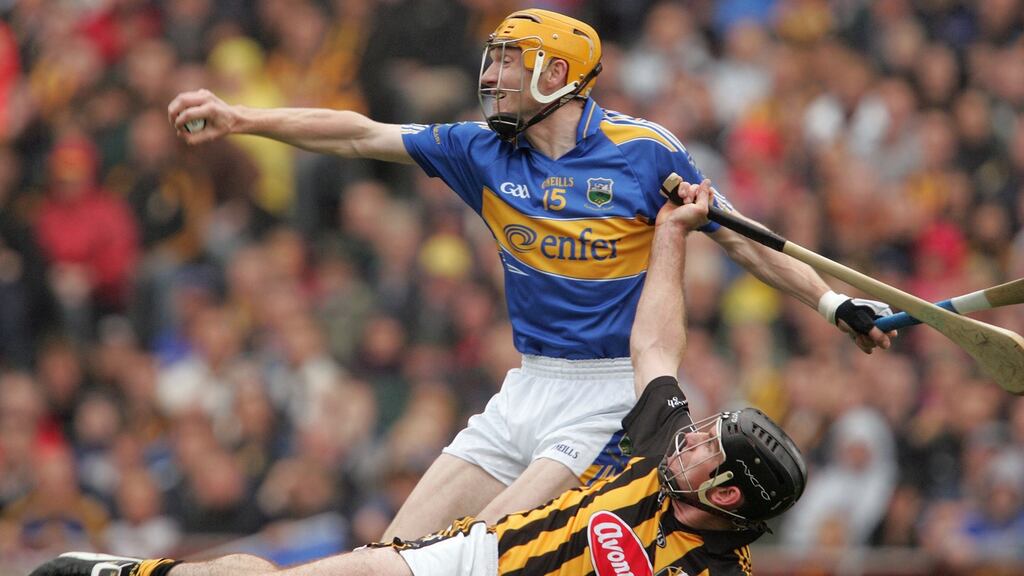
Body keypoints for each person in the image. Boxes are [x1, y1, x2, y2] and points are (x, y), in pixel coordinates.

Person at [167, 8, 891, 540]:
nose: (492, 76)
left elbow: (746, 242)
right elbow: (360, 134)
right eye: (495, 60)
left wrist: (831, 303)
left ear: (557, 73)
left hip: (610, 390)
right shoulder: (479, 149)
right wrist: (242, 118)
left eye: (511, 63)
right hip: (526, 382)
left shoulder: (645, 152)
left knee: (482, 552)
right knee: (394, 549)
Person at [30, 179, 808, 576]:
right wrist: (671, 235)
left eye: (707, 445)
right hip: (468, 564)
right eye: (701, 429)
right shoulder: (660, 441)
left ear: (728, 494)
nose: (690, 437)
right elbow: (657, 344)